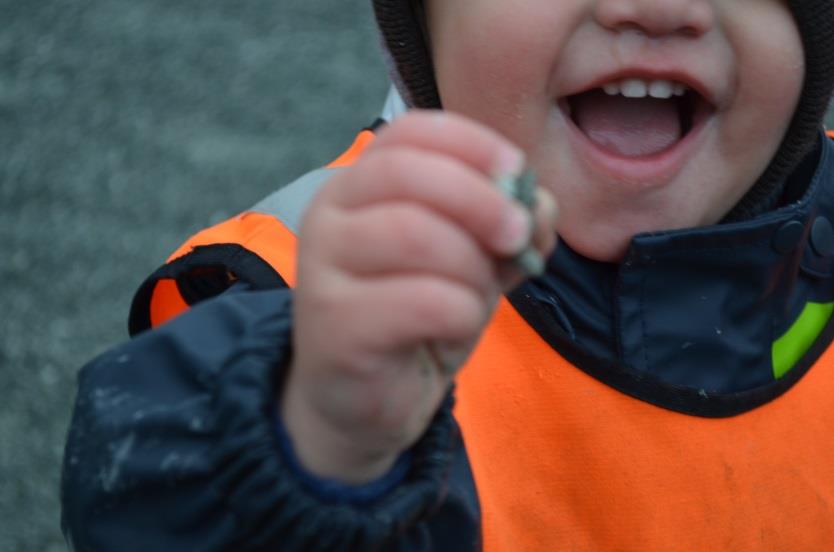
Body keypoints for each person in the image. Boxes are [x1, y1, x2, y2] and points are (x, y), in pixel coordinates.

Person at [62, 0, 834, 549]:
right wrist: (321, 438)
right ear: (422, 24)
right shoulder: (302, 306)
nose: (661, 8)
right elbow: (142, 502)